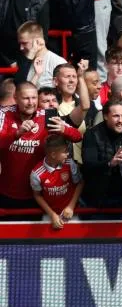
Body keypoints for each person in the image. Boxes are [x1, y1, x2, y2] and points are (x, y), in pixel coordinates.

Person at [0, 81, 81, 212]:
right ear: (15, 98)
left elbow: (78, 136)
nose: (31, 102)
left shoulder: (46, 115)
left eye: (34, 98)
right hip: (8, 192)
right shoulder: (4, 114)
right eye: (26, 98)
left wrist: (63, 130)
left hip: (39, 194)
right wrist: (16, 134)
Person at [30, 134, 82, 229]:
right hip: (49, 215)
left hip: (71, 212)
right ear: (53, 154)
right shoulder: (36, 174)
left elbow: (80, 184)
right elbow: (37, 195)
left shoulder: (70, 164)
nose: (68, 154)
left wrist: (71, 207)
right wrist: (52, 214)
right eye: (65, 152)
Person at [16, 22, 65, 88]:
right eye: (20, 44)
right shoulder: (26, 61)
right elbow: (18, 87)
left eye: (24, 43)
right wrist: (30, 55)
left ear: (38, 41)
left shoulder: (57, 62)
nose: (21, 48)